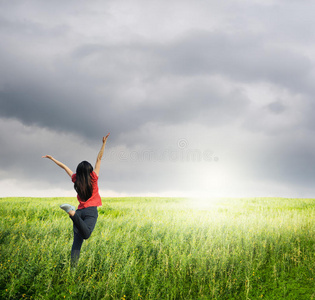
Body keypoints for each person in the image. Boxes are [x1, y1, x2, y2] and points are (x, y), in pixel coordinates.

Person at [42, 133, 110, 265]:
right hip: (89, 212)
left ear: (79, 172)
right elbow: (99, 159)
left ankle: (73, 270)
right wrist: (103, 144)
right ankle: (71, 213)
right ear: (90, 171)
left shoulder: (76, 179)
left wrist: (52, 159)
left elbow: (64, 167)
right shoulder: (94, 178)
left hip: (80, 212)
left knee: (77, 243)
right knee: (86, 235)